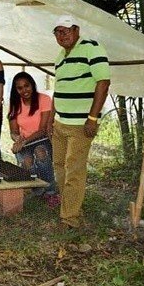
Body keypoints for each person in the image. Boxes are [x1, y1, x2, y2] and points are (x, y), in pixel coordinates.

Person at [48, 15, 110, 229]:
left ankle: (70, 218)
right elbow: (58, 90)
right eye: (57, 32)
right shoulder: (59, 57)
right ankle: (71, 207)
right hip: (60, 122)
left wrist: (92, 118)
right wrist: (50, 119)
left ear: (76, 30)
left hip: (81, 124)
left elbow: (103, 82)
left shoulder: (92, 47)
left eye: (65, 30)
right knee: (59, 167)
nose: (61, 35)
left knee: (74, 169)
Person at [8, 72, 59, 207]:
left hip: (41, 139)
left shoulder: (44, 99)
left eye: (27, 86)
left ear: (32, 85)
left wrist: (24, 141)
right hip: (24, 143)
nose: (24, 90)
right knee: (27, 162)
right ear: (16, 90)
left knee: (41, 154)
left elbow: (42, 130)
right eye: (20, 88)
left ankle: (51, 192)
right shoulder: (14, 104)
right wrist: (18, 139)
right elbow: (13, 131)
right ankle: (38, 190)